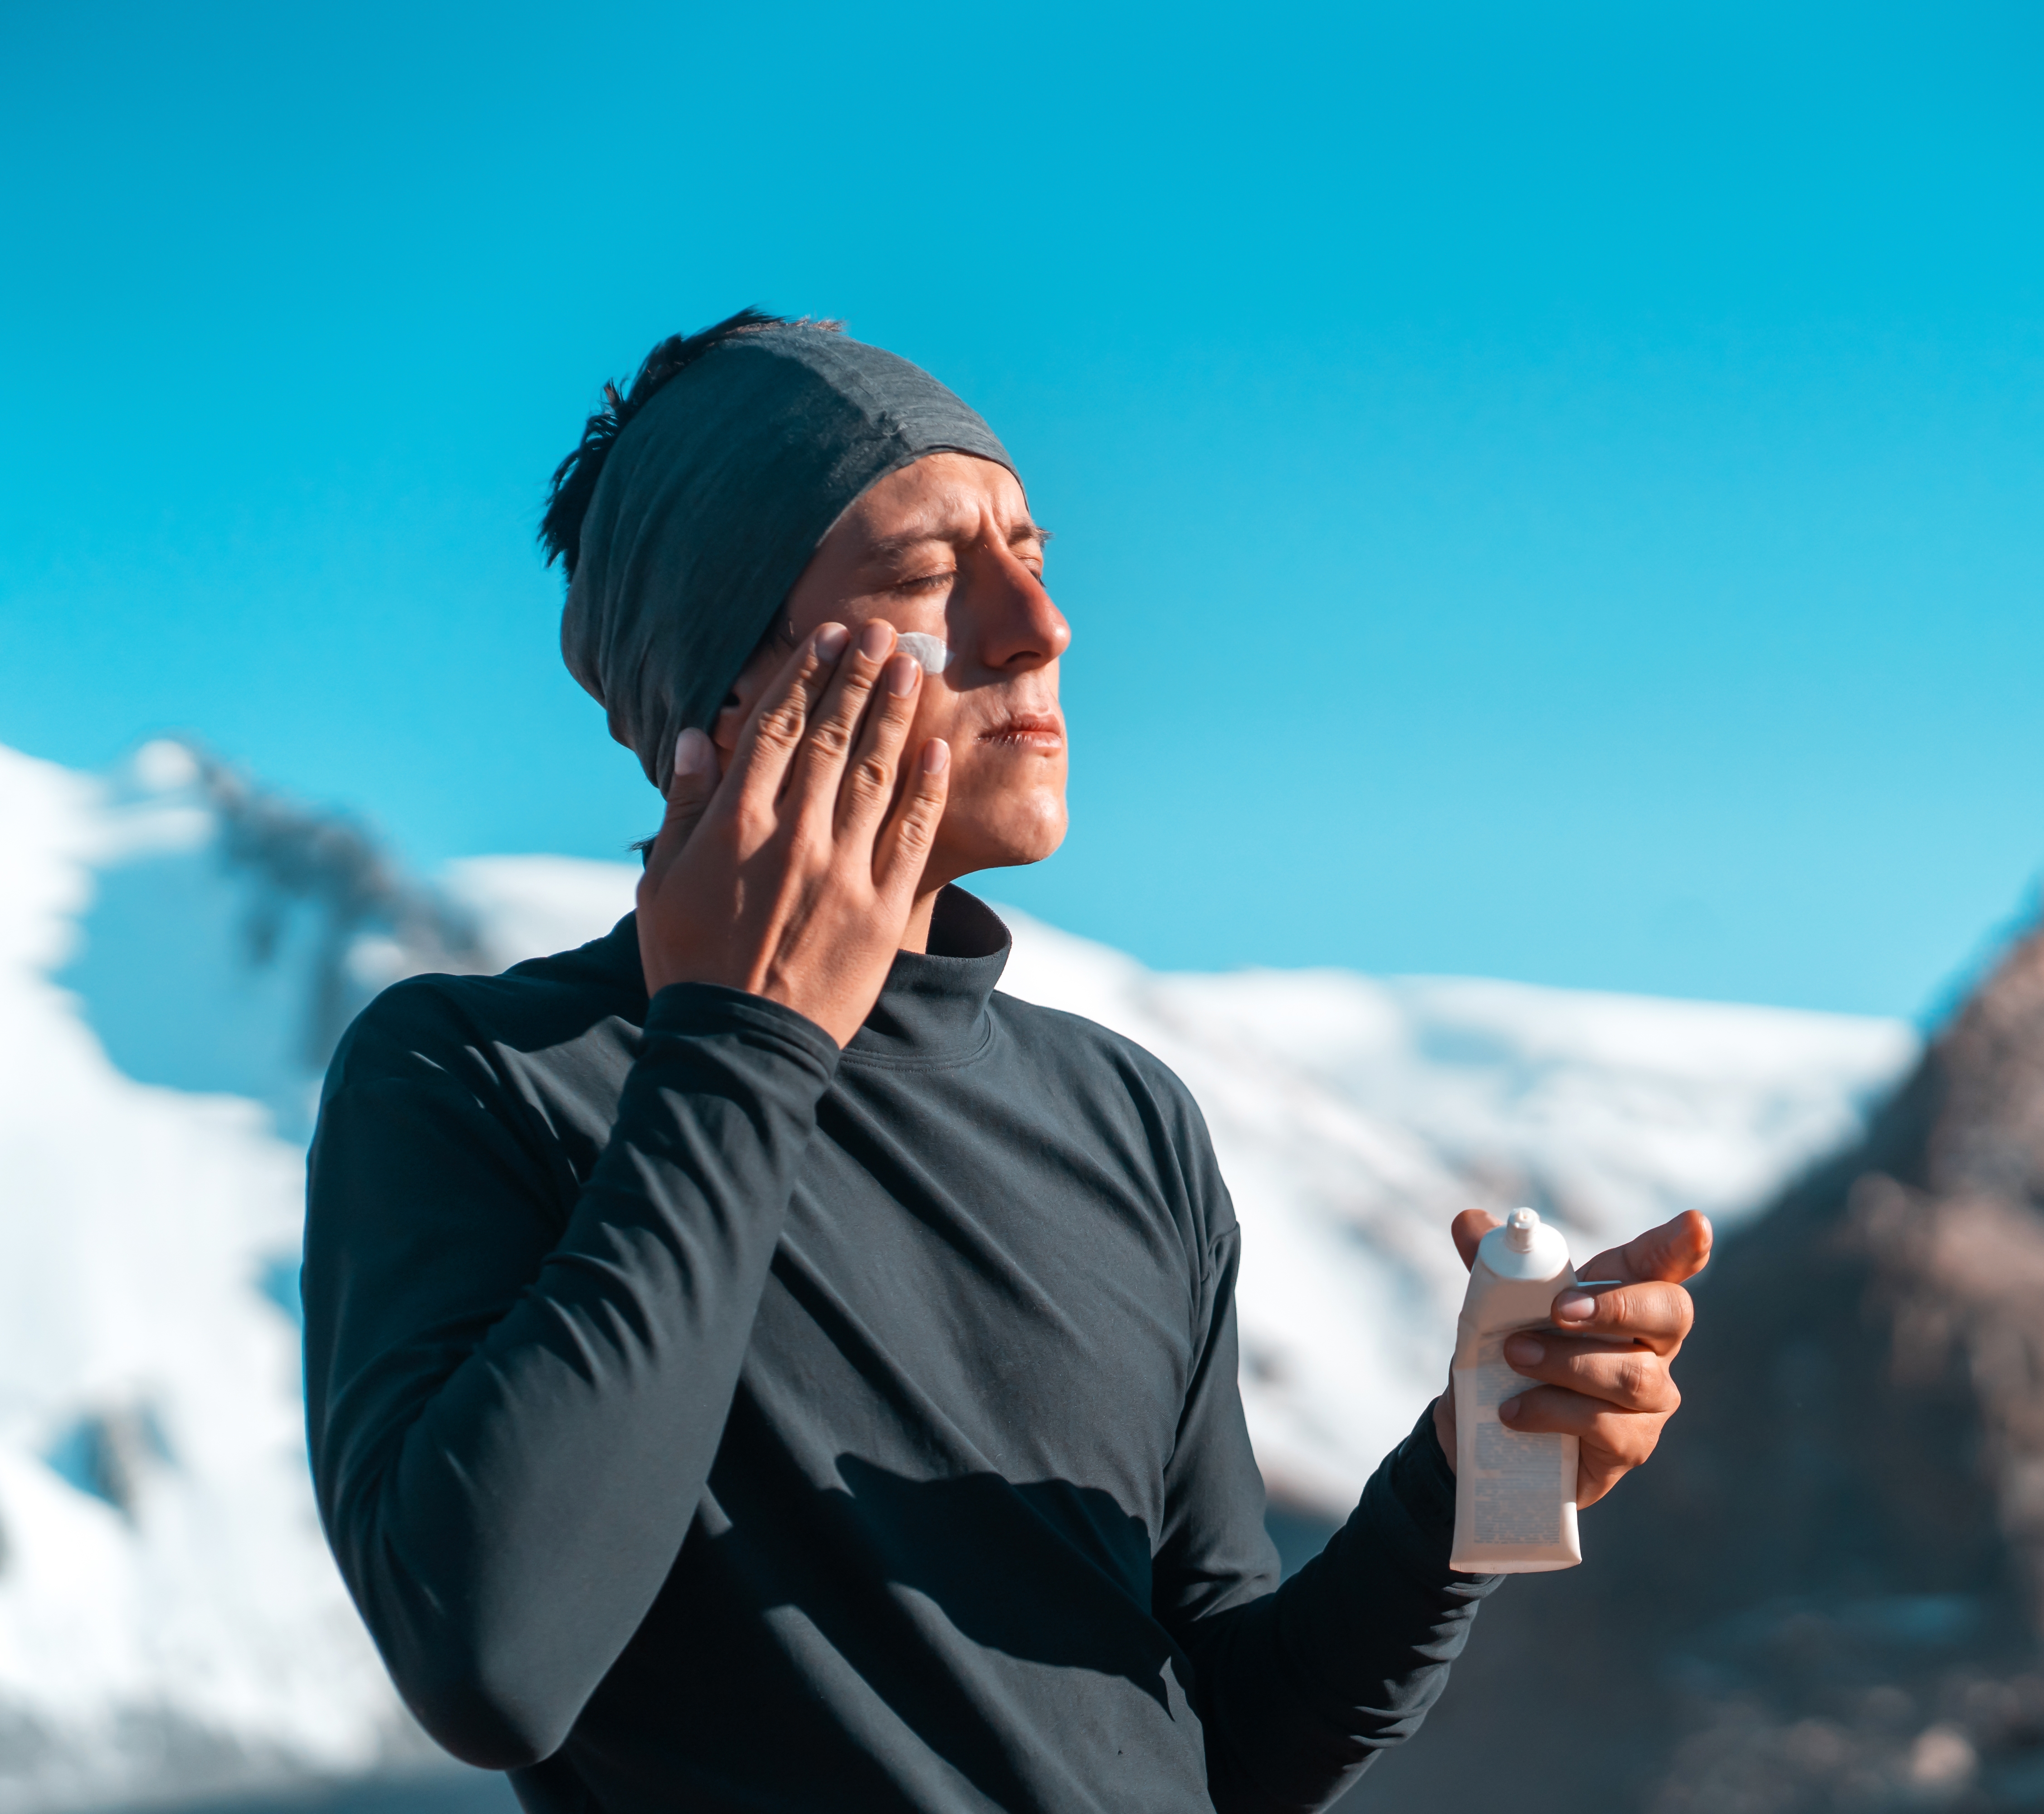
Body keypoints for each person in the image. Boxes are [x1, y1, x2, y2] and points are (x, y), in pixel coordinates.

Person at [301, 310, 1711, 1814]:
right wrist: (742, 1046)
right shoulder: (483, 1078)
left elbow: (1213, 1738)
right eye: (926, 575)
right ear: (726, 687)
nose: (1037, 625)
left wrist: (1462, 1491)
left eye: (1031, 553)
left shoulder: (1123, 1118)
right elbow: (490, 1661)